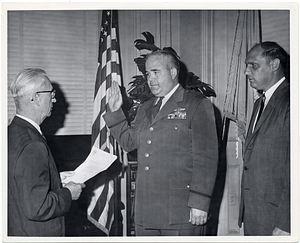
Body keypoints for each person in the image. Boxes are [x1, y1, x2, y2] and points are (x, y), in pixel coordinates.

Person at [104, 50, 218, 236]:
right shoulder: (146, 107)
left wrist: (200, 202)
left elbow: (206, 158)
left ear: (173, 73)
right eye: (148, 74)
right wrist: (116, 112)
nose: (150, 79)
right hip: (147, 211)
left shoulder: (196, 104)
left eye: (156, 72)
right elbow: (129, 142)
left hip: (180, 211)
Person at [8, 68, 85, 236]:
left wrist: (54, 179)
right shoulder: (33, 144)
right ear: (35, 98)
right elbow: (38, 207)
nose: (55, 99)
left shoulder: (10, 133)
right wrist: (68, 193)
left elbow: (19, 184)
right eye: (51, 93)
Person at [238, 42, 290, 236]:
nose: (246, 71)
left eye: (254, 65)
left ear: (274, 65)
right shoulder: (261, 102)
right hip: (255, 213)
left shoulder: (290, 100)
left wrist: (287, 222)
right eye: (246, 65)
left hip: (279, 218)